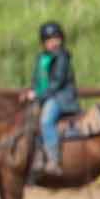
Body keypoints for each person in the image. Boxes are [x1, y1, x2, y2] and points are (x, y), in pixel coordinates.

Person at [28, 19, 79, 183]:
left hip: (60, 97)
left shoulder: (62, 57)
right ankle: (35, 157)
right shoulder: (41, 58)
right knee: (27, 119)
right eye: (49, 40)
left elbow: (57, 83)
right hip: (44, 95)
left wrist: (38, 96)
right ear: (43, 42)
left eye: (56, 39)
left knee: (46, 120)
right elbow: (37, 80)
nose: (53, 43)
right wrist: (33, 91)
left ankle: (53, 160)